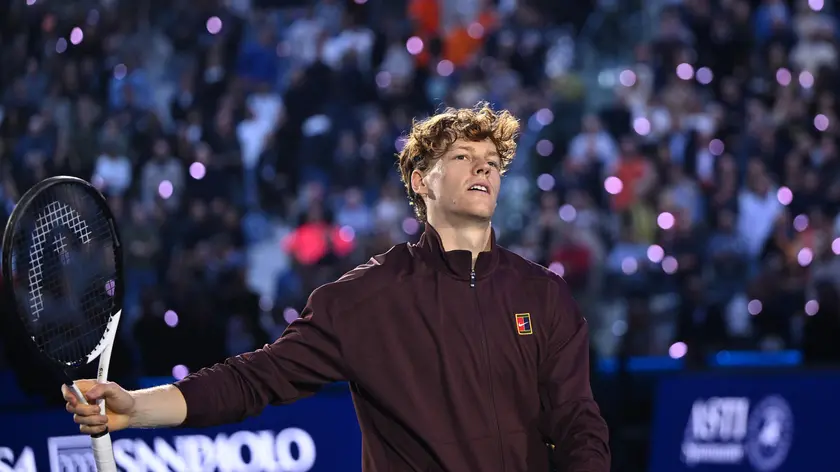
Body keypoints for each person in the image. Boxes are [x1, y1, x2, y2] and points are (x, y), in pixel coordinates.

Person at [64, 102, 611, 471]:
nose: (483, 169)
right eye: (463, 158)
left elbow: (578, 422)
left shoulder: (543, 295)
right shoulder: (364, 300)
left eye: (491, 162)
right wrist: (137, 408)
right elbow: (255, 379)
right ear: (421, 182)